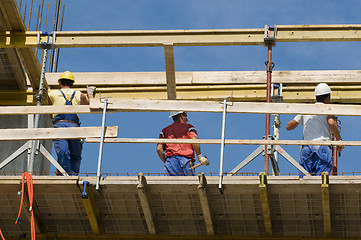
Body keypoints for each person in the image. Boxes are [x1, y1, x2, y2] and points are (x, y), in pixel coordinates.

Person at [286, 83, 343, 175]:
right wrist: (339, 140)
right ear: (328, 97)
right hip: (322, 147)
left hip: (307, 148)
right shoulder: (327, 109)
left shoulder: (306, 109)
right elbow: (331, 123)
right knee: (322, 181)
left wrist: (303, 119)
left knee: (304, 181)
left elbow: (289, 126)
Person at [48, 71, 95, 175]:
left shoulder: (51, 94)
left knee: (62, 151)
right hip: (74, 126)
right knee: (76, 154)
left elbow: (50, 114)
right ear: (72, 84)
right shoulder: (79, 94)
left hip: (60, 125)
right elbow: (91, 104)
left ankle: (65, 174)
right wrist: (90, 93)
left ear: (60, 83)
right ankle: (70, 174)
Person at [156, 111, 209, 176]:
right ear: (181, 115)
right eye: (186, 115)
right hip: (186, 160)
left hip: (171, 161)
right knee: (189, 185)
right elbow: (194, 140)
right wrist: (200, 157)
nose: (187, 118)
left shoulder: (164, 131)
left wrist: (166, 162)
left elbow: (159, 149)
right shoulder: (189, 127)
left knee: (170, 185)